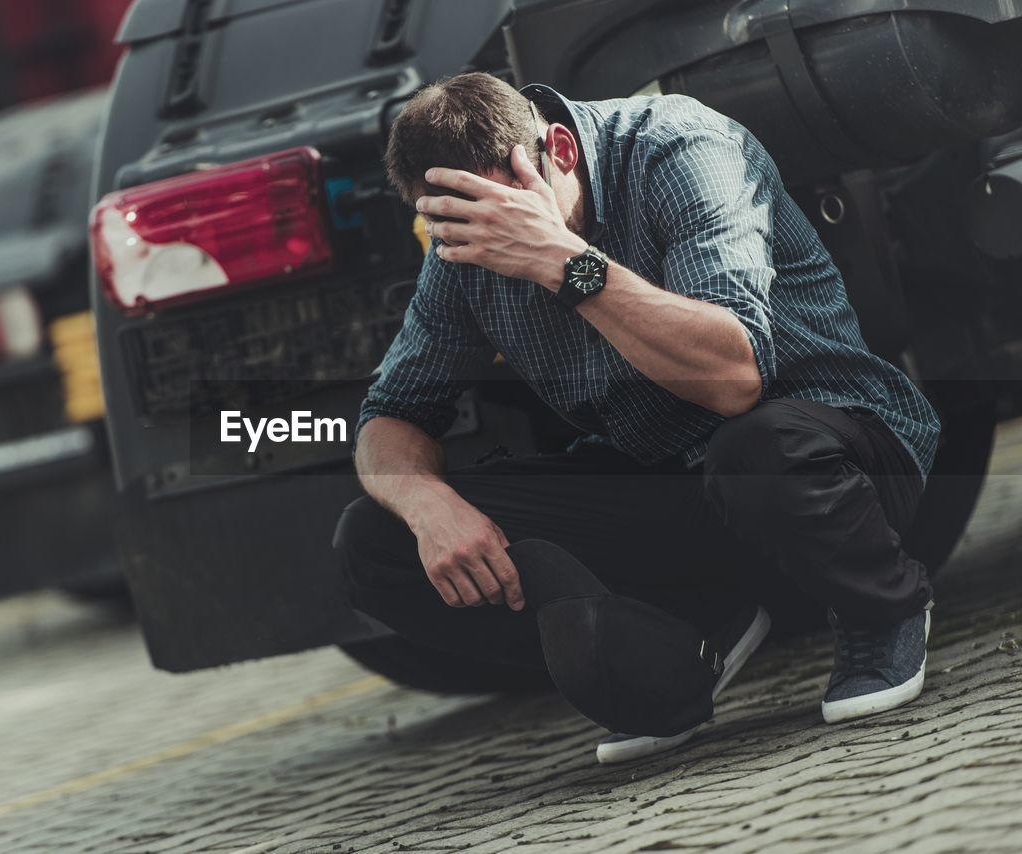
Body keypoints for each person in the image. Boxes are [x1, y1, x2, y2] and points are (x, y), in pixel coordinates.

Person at [332, 72, 940, 764]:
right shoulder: (462, 246)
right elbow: (389, 415)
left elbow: (733, 379)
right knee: (373, 542)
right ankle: (686, 636)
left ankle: (883, 608)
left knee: (756, 449)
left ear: (557, 148)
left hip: (831, 454)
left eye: (495, 210)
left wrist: (564, 262)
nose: (484, 239)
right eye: (451, 219)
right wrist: (425, 503)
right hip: (671, 478)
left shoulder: (681, 149)